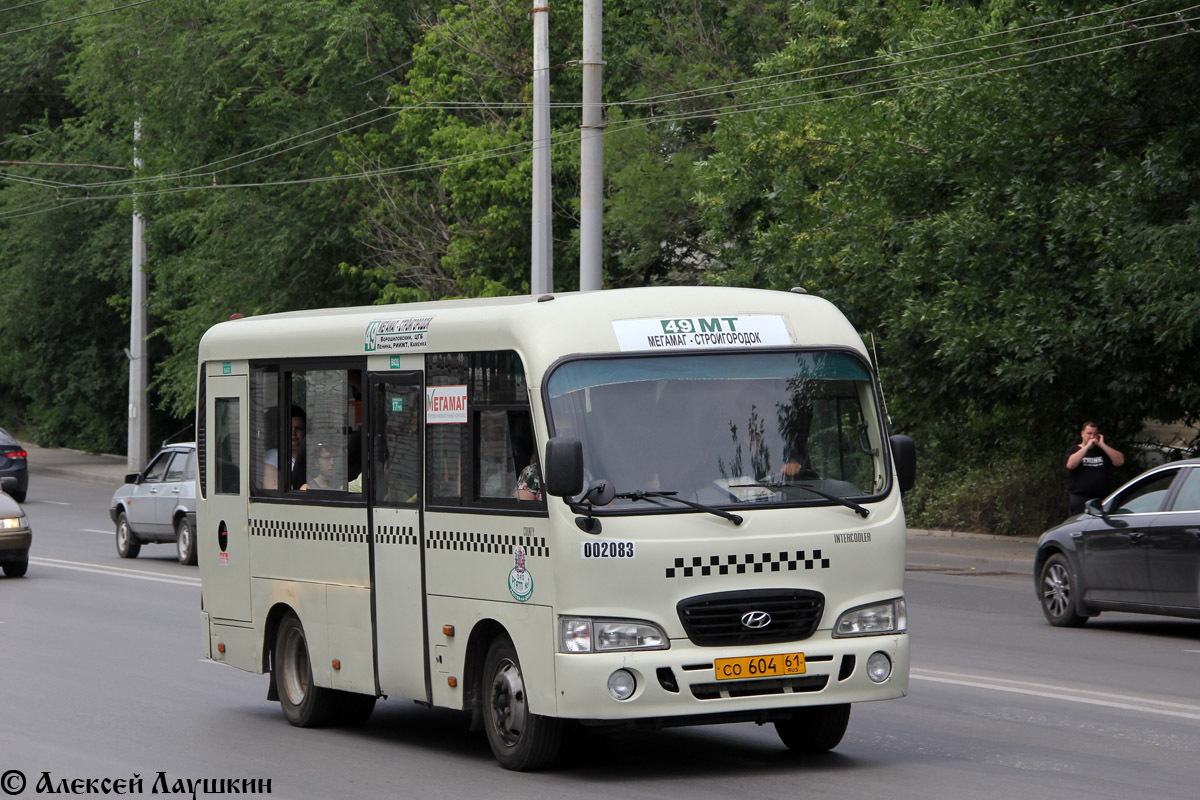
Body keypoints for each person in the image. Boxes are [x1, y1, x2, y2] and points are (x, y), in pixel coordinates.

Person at [1066, 421, 1125, 515]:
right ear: (1082, 434)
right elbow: (1070, 465)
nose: (1092, 437)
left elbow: (1119, 461)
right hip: (1081, 499)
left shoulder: (1102, 451)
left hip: (1100, 499)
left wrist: (1102, 445)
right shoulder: (1074, 450)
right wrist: (1086, 447)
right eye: (1089, 433)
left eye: (1095, 434)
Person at [264, 405, 307, 490]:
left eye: (298, 428)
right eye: (289, 428)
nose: (293, 433)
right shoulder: (273, 456)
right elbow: (272, 489)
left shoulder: (314, 456)